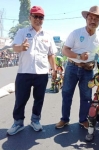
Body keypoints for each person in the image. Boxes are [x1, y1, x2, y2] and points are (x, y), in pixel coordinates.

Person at [7, 6, 57, 135]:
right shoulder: (22, 32)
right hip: (24, 72)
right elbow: (14, 48)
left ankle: (35, 120)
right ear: (30, 17)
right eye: (35, 16)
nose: (38, 19)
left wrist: (54, 69)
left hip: (42, 73)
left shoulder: (48, 35)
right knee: (20, 100)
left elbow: (51, 54)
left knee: (39, 99)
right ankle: (18, 122)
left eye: (41, 17)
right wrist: (21, 47)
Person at [55, 6, 99, 129]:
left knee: (86, 97)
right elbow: (65, 50)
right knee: (67, 94)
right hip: (72, 67)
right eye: (91, 18)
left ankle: (83, 120)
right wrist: (78, 56)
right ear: (86, 19)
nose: (93, 21)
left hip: (88, 71)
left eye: (96, 19)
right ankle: (64, 119)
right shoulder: (76, 33)